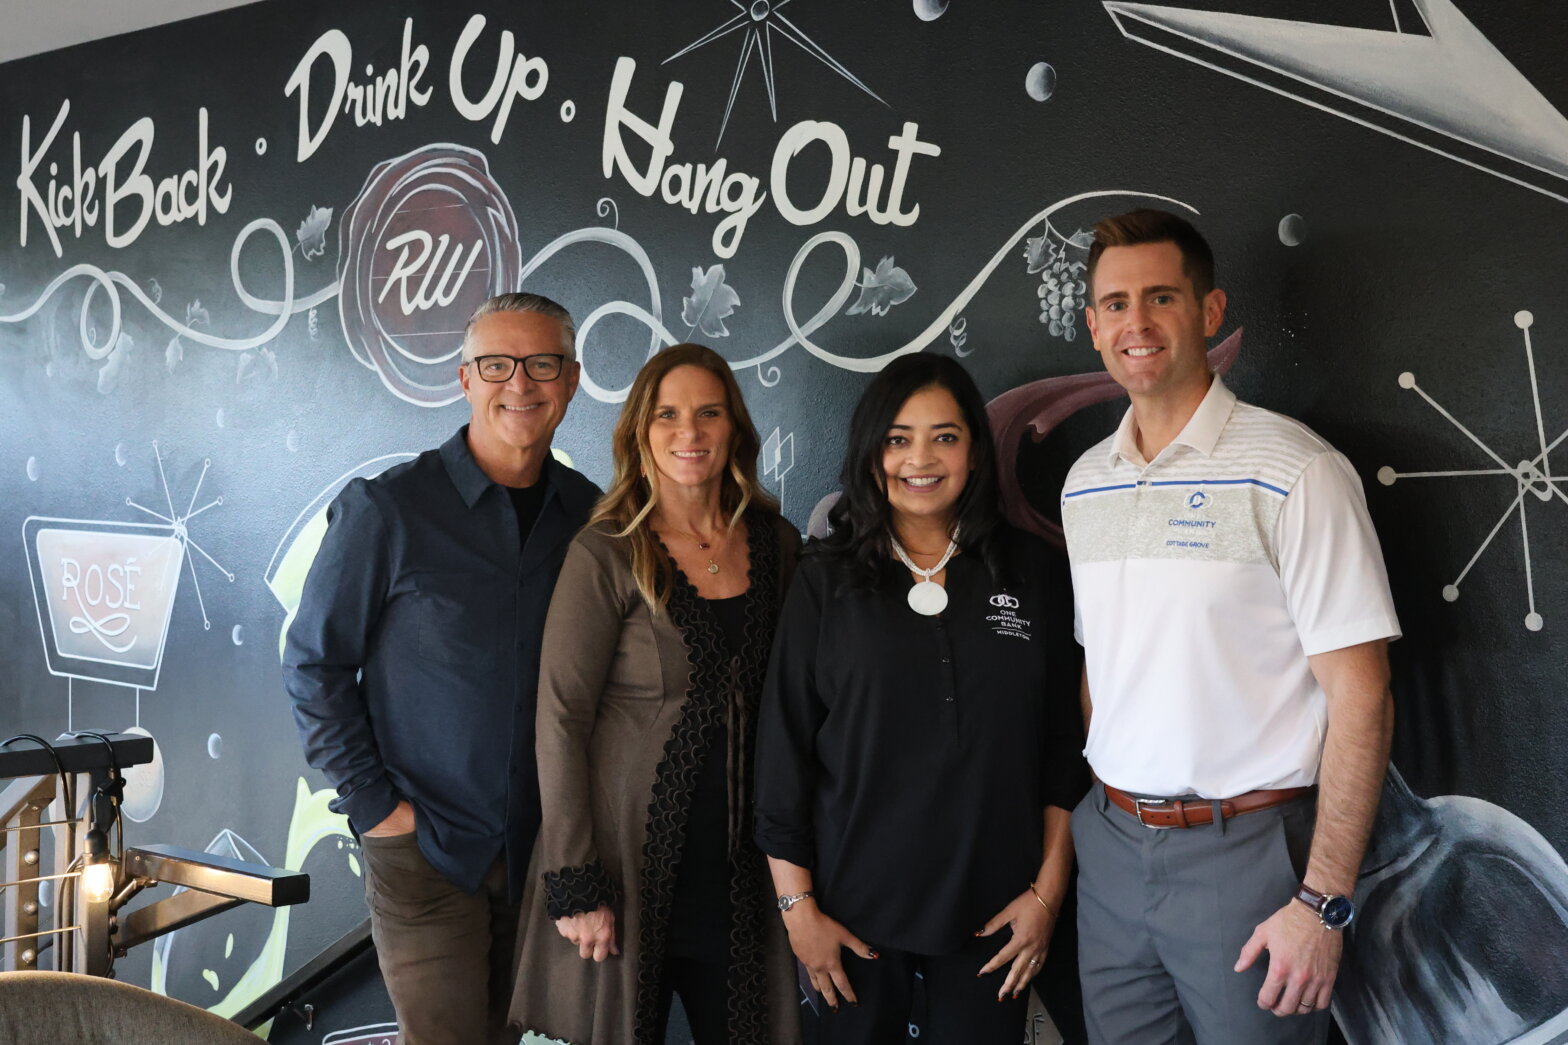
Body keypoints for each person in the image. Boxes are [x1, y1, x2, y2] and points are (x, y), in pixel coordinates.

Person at [1060, 208, 1401, 1044]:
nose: (1136, 323)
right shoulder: (1084, 483)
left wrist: (1322, 900)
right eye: (1115, 304)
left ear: (1210, 312)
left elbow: (1362, 695)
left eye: (1161, 297)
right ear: (1093, 325)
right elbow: (1102, 663)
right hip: (1110, 850)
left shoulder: (1296, 470)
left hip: (1247, 857)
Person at [282, 293, 598, 1045]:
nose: (519, 383)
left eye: (541, 363)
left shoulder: (593, 517)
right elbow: (315, 665)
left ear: (571, 379)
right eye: (496, 365)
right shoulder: (388, 510)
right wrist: (377, 810)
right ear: (464, 379)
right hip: (424, 849)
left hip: (540, 853)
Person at [754, 354, 1086, 1044]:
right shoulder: (825, 579)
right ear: (871, 453)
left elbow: (1062, 746)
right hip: (850, 915)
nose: (920, 459)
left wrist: (1048, 894)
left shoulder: (1031, 570)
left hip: (998, 913)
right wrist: (797, 909)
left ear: (974, 451)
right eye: (898, 438)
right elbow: (783, 750)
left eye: (945, 437)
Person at [509, 344, 803, 1045]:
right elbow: (560, 718)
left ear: (734, 428)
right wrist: (575, 880)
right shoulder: (607, 551)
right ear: (640, 432)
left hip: (743, 879)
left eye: (708, 413)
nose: (688, 431)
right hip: (625, 873)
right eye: (667, 414)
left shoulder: (779, 545)